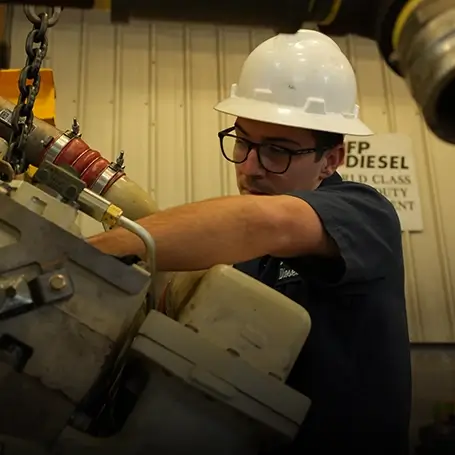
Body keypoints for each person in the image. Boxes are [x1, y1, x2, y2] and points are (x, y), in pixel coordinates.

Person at [89, 29, 412, 454]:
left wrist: (96, 251)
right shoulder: (248, 259)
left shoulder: (365, 215)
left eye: (277, 150)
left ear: (331, 159)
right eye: (243, 141)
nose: (251, 168)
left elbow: (261, 223)